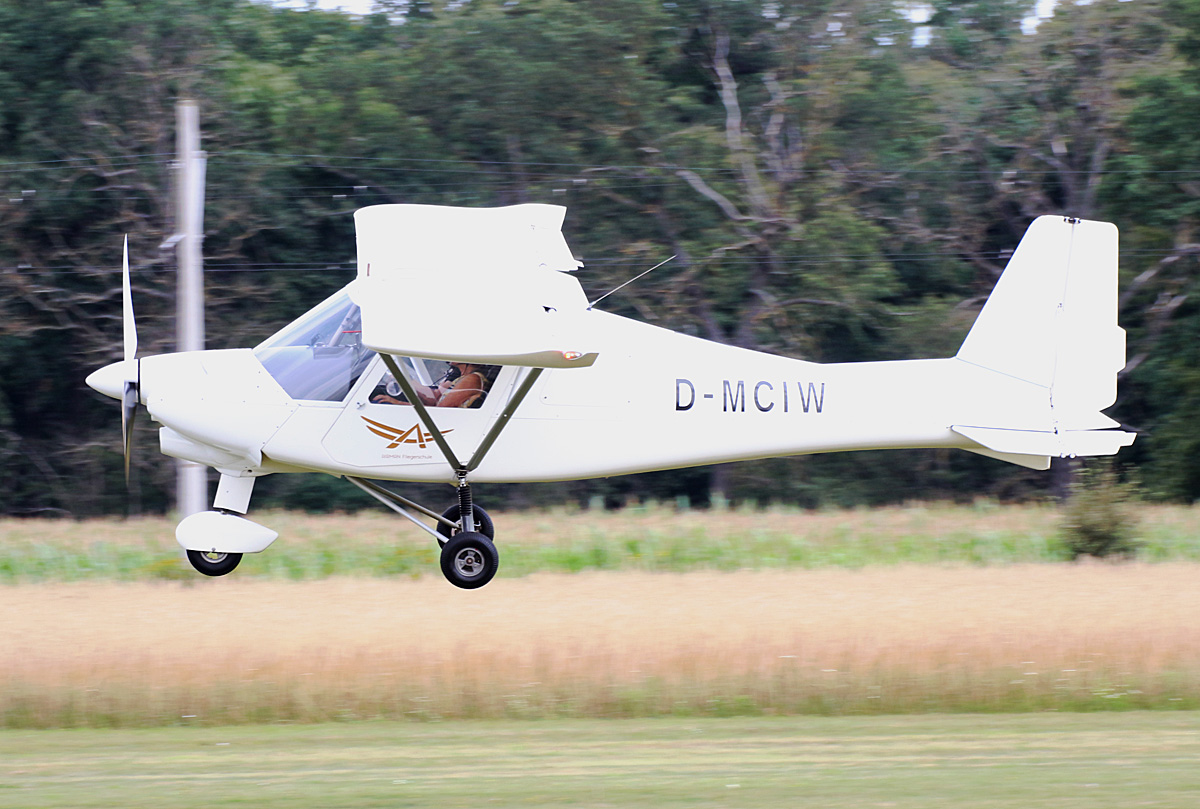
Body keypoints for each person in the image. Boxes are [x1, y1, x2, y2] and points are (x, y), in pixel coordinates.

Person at [372, 362, 492, 408]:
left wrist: (398, 403)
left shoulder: (472, 379)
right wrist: (406, 380)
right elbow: (434, 397)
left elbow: (440, 410)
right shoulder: (458, 377)